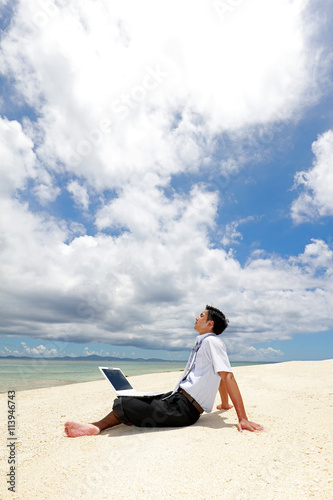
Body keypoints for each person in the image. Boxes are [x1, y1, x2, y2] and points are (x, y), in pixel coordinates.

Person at [65, 305, 263, 437]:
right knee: (132, 398)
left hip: (185, 409)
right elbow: (218, 376)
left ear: (210, 324)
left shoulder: (212, 342)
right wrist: (224, 404)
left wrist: (242, 418)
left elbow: (227, 376)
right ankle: (97, 425)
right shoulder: (204, 343)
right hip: (178, 400)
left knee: (124, 402)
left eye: (201, 316)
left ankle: (96, 427)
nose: (196, 317)